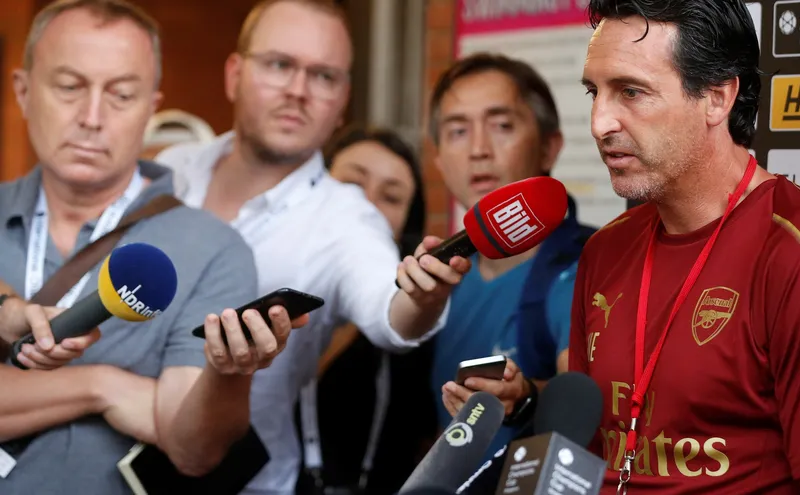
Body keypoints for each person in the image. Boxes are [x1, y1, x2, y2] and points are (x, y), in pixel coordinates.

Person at [153, 1, 469, 494]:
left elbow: (390, 311)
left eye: (323, 76)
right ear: (234, 75)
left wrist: (423, 296)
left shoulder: (345, 218)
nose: (298, 91)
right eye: (279, 64)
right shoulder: (171, 168)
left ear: (342, 102)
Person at [571, 0, 800, 493]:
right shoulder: (604, 250)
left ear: (717, 98)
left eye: (631, 92)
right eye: (595, 92)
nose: (599, 123)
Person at [0, 1, 306, 493]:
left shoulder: (212, 248)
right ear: (22, 90)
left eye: (121, 95)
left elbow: (195, 452)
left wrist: (229, 374)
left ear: (150, 108)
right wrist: (102, 387)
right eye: (69, 87)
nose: (92, 117)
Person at [432, 53, 596, 457]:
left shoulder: (588, 266)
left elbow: (585, 395)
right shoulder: (440, 278)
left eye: (502, 126)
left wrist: (525, 397)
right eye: (458, 131)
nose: (479, 150)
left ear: (549, 148)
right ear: (438, 161)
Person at [295, 126, 437, 495]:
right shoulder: (265, 284)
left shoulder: (416, 323)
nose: (366, 207)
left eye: (390, 198)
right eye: (351, 187)